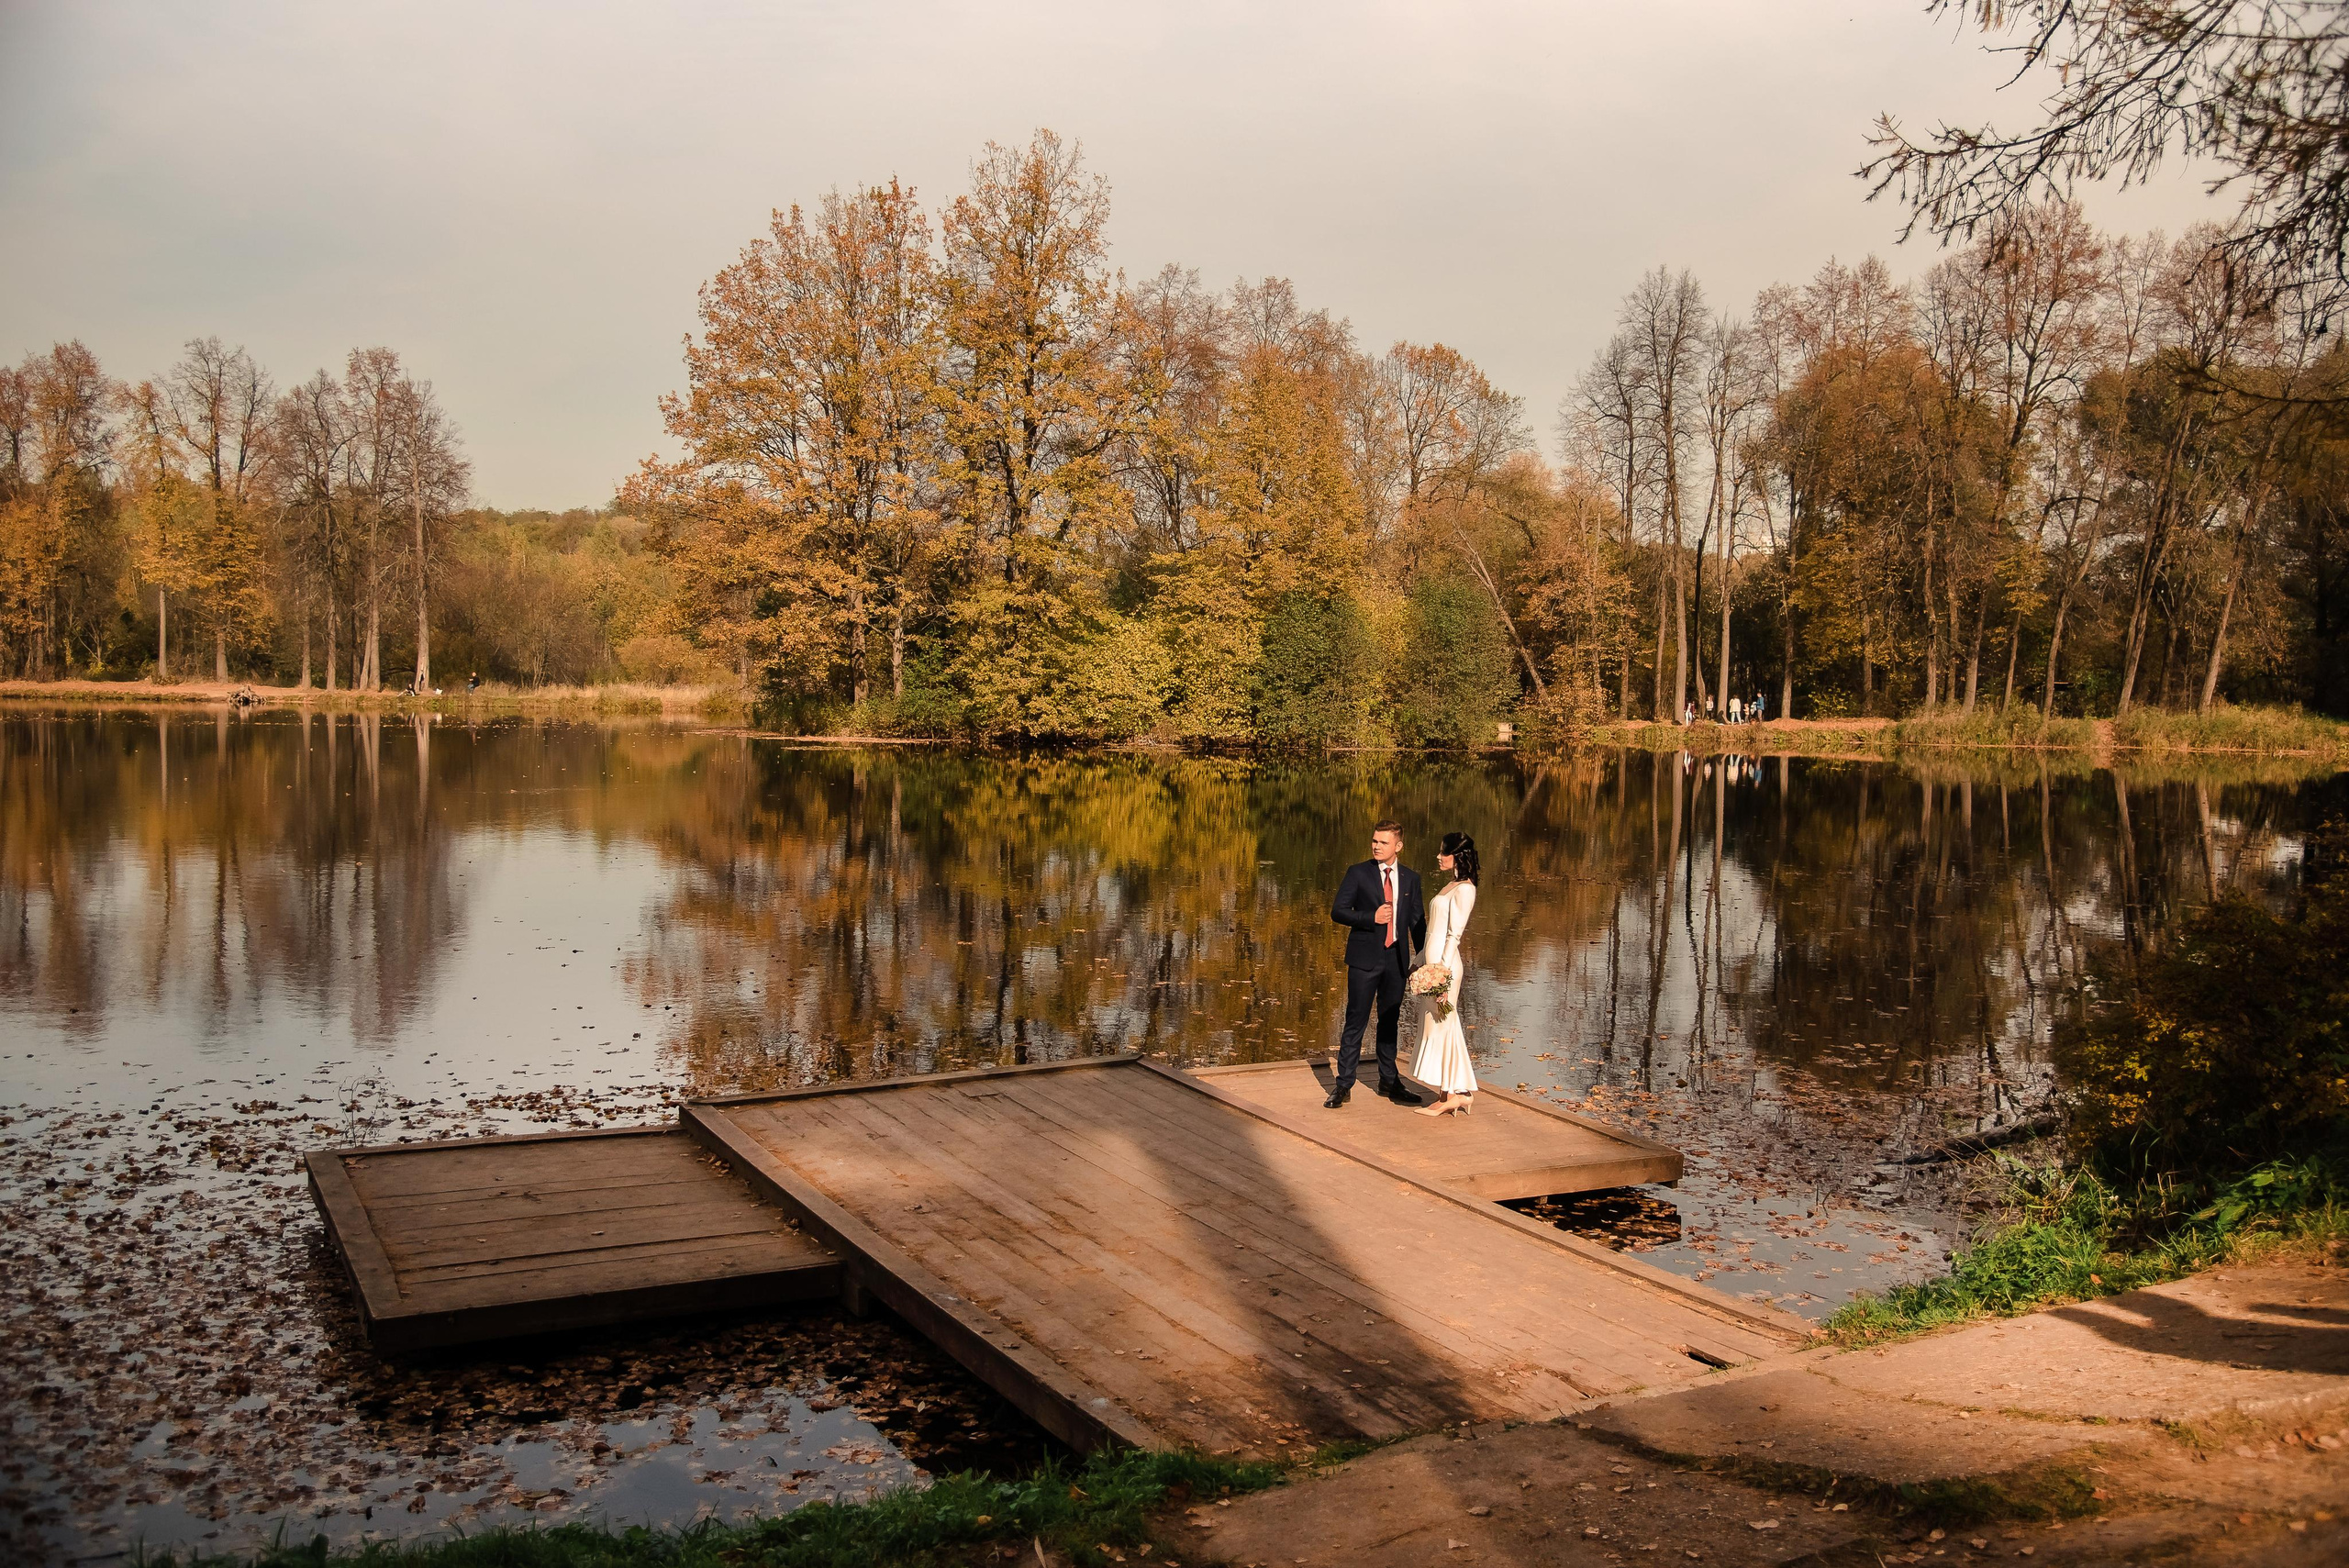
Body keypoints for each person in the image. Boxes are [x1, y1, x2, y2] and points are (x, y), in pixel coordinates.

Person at [1326, 819, 1426, 1109]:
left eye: (1383, 842)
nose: (1376, 846)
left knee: (1390, 1022)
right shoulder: (1358, 873)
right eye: (1374, 841)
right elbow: (1338, 911)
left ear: (1398, 846)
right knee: (1355, 1020)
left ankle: (1389, 1081)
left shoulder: (1411, 878)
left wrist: (1423, 960)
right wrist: (1370, 917)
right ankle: (1343, 1085)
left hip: (1396, 960)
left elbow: (1418, 922)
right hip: (1364, 959)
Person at [1411, 832, 1481, 1117]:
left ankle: (1452, 1094)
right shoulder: (1450, 885)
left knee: (1441, 1024)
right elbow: (1433, 931)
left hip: (1445, 967)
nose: (1439, 856)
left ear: (1458, 856)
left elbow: (1454, 936)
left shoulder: (1465, 889)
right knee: (1442, 1025)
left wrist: (1441, 973)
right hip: (1431, 965)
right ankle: (1453, 1094)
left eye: (1444, 852)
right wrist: (1417, 962)